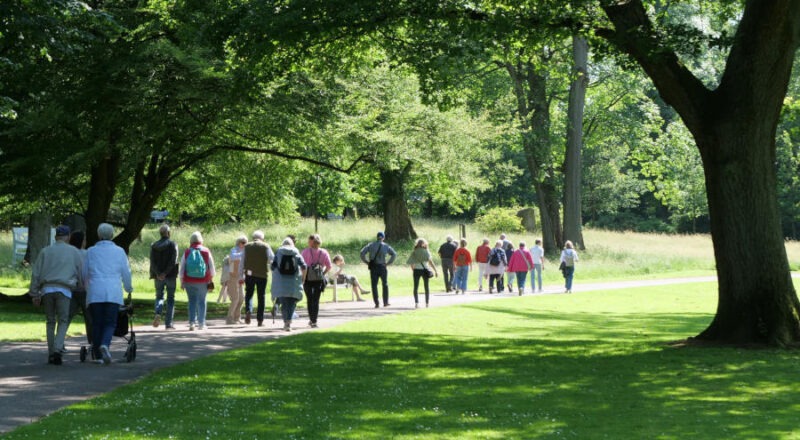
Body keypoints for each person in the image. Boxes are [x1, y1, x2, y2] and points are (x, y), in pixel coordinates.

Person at [29, 225, 84, 365]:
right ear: (68, 237)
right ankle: (58, 349)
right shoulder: (74, 251)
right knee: (63, 320)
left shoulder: (45, 251)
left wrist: (34, 293)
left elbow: (36, 273)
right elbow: (80, 271)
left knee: (50, 321)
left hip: (47, 289)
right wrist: (81, 285)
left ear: (56, 236)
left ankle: (51, 351)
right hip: (64, 289)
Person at [84, 223, 132, 365]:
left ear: (99, 235)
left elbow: (84, 273)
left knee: (97, 323)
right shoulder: (119, 251)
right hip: (112, 291)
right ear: (112, 235)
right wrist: (129, 288)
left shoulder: (91, 251)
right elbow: (126, 272)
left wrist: (87, 287)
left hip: (95, 291)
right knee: (110, 322)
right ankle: (105, 344)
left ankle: (98, 355)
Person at [179, 231, 216, 331]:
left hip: (189, 281)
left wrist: (182, 281)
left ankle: (191, 323)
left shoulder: (187, 251)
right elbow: (212, 268)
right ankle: (201, 323)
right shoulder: (206, 251)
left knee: (191, 301)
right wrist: (211, 278)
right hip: (203, 280)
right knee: (202, 301)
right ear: (201, 240)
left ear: (191, 240)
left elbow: (182, 267)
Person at [271, 238, 307, 331]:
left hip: (281, 283)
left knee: (283, 303)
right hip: (293, 282)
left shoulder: (278, 252)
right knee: (292, 302)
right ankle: (288, 323)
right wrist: (303, 278)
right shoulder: (296, 252)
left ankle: (285, 321)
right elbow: (304, 266)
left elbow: (272, 266)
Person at [240, 230, 275, 326]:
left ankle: (248, 310)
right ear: (262, 238)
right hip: (262, 274)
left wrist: (241, 276)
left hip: (249, 274)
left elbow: (242, 262)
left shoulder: (246, 246)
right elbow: (272, 259)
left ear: (253, 237)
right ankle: (260, 320)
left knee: (249, 294)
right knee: (261, 296)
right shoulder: (266, 246)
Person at [149, 224, 179, 329]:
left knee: (159, 296)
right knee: (170, 298)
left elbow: (152, 262)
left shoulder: (154, 245)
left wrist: (158, 273)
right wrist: (165, 273)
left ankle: (158, 312)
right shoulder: (173, 244)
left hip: (158, 277)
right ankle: (168, 323)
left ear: (160, 234)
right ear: (168, 233)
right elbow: (173, 261)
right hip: (170, 276)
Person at [67, 230, 92, 351]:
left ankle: (59, 341)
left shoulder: (68, 253)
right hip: (85, 289)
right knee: (89, 318)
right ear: (82, 241)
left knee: (67, 316)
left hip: (70, 288)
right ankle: (92, 342)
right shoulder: (86, 253)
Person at [301, 234, 332, 328]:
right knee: (316, 300)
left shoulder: (305, 251)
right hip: (319, 279)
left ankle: (311, 319)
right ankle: (314, 320)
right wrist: (323, 273)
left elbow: (302, 266)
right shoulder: (324, 252)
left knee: (309, 299)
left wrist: (302, 278)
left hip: (307, 278)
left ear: (312, 243)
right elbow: (329, 266)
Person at [360, 231, 397, 308]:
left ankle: (376, 303)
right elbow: (394, 254)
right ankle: (385, 302)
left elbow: (362, 253)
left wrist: (366, 262)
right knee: (385, 284)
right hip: (382, 266)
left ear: (377, 237)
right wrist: (388, 263)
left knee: (374, 285)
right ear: (383, 238)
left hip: (373, 267)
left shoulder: (370, 245)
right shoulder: (386, 246)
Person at [406, 238, 437, 308]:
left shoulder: (414, 252)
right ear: (424, 244)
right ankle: (427, 303)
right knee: (426, 287)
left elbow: (411, 262)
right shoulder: (426, 251)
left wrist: (413, 269)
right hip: (425, 270)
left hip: (416, 270)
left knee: (415, 287)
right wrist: (435, 270)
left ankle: (416, 303)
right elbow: (430, 262)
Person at [225, 236, 247, 324]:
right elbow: (233, 257)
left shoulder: (244, 251)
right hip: (233, 277)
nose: (244, 244)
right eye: (243, 242)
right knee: (235, 298)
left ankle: (237, 317)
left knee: (241, 298)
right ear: (238, 242)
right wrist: (243, 254)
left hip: (241, 277)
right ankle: (229, 318)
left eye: (245, 242)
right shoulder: (234, 250)